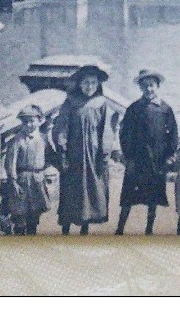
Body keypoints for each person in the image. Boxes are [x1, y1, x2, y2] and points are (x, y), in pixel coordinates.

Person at [52, 64, 117, 235]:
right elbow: (61, 128)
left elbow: (107, 130)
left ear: (98, 85)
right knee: (71, 189)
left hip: (93, 155)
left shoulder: (102, 103)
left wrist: (104, 154)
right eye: (86, 83)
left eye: (93, 83)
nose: (89, 87)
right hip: (74, 155)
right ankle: (65, 228)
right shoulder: (70, 103)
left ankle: (85, 227)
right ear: (79, 84)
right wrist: (62, 150)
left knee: (91, 190)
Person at [115, 69, 179, 235]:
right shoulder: (134, 108)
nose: (149, 89)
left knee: (153, 196)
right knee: (128, 195)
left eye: (152, 85)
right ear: (140, 88)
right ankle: (120, 228)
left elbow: (173, 134)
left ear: (157, 86)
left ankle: (149, 228)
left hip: (156, 160)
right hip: (137, 159)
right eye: (145, 86)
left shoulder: (165, 109)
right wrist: (127, 155)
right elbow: (124, 133)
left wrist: (170, 155)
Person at [4, 104, 53, 235]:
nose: (29, 125)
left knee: (35, 212)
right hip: (22, 180)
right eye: (25, 122)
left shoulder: (43, 139)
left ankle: (32, 236)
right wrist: (13, 180)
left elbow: (49, 157)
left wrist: (45, 172)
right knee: (20, 212)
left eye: (32, 121)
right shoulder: (17, 140)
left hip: (37, 179)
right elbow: (10, 162)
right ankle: (19, 236)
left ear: (39, 121)